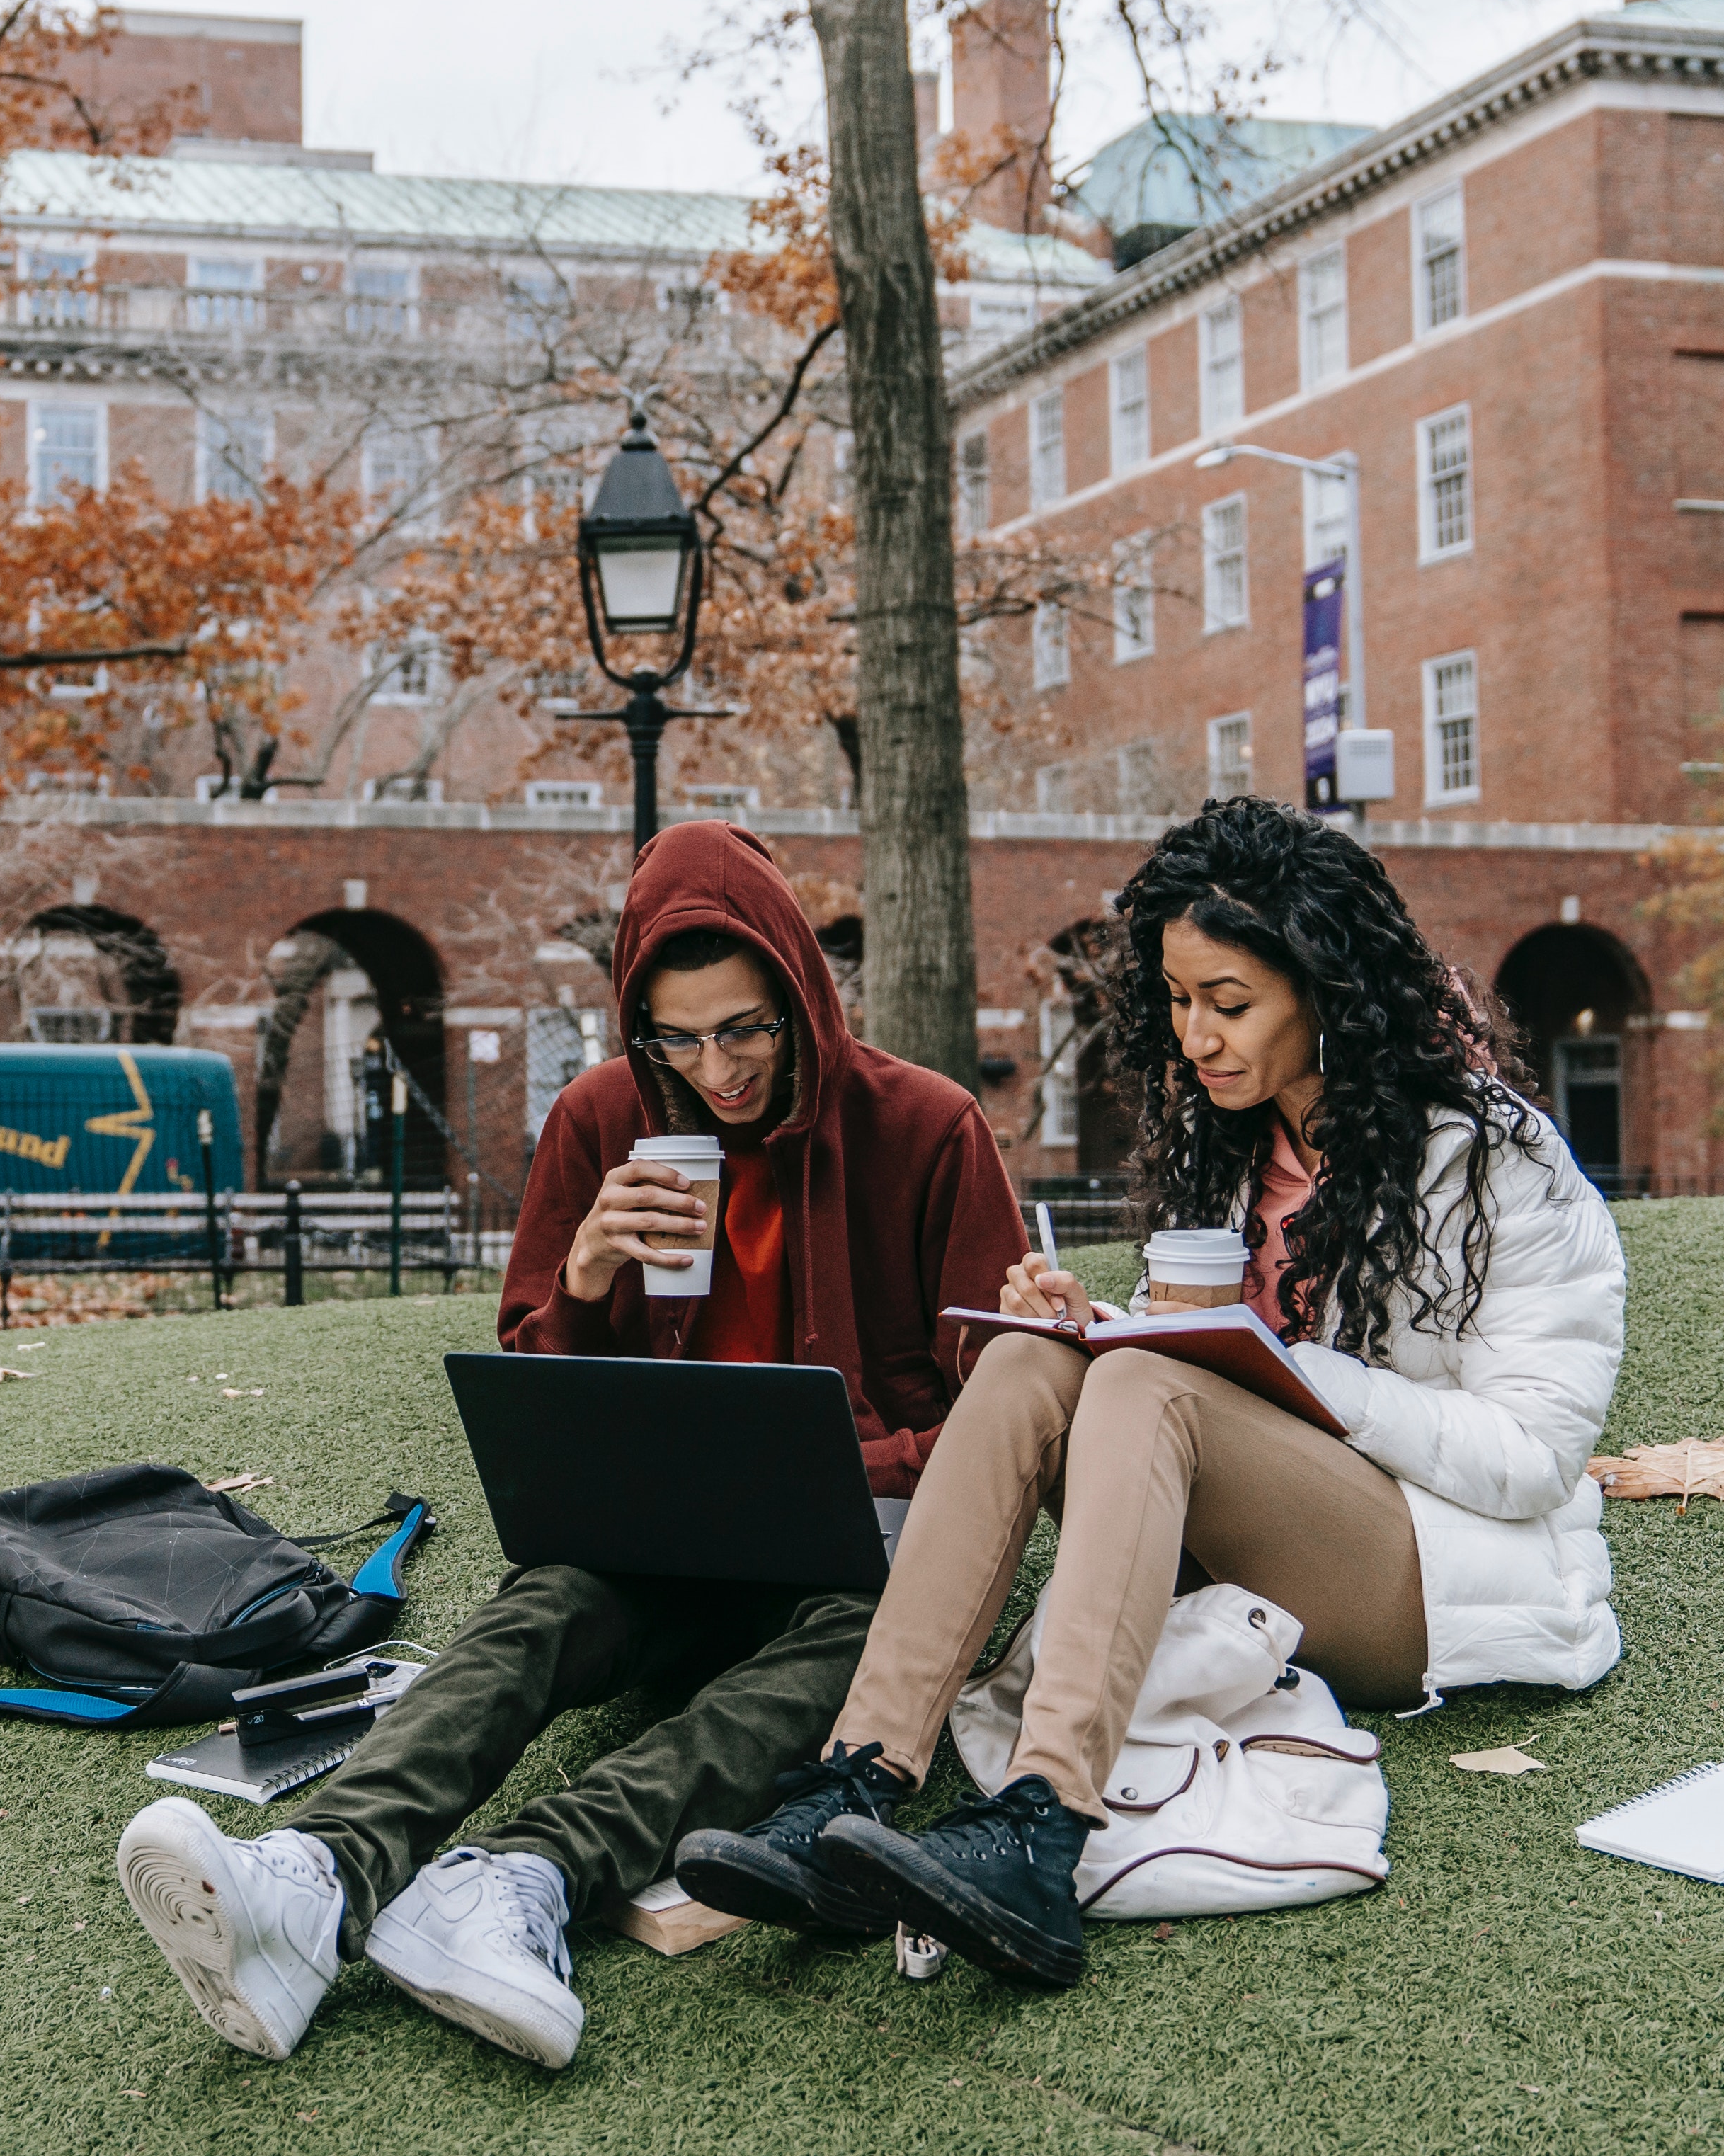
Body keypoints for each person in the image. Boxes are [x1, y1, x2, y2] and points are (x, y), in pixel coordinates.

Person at [113, 820, 1024, 2070]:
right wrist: (588, 1275)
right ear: (634, 1024)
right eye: (679, 1037)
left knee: (855, 1652)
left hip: (855, 1552)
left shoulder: (927, 1126)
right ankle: (314, 1875)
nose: (721, 1069)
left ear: (804, 996)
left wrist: (874, 1454)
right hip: (661, 1542)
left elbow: (1000, 1410)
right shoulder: (601, 1118)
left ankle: (523, 1878)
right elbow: (538, 1397)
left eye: (749, 1027)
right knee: (541, 1604)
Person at [680, 796, 1625, 1985]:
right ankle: (855, 1777)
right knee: (1036, 1360)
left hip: (1429, 1570)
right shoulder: (1234, 1147)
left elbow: (1534, 1454)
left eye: (1230, 1005)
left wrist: (1278, 1372)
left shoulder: (1493, 1159)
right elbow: (1214, 1368)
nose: (1198, 1038)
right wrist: (1106, 1324)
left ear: (1329, 991)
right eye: (1178, 1004)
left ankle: (1041, 1822)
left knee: (1146, 1395)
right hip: (1245, 1531)